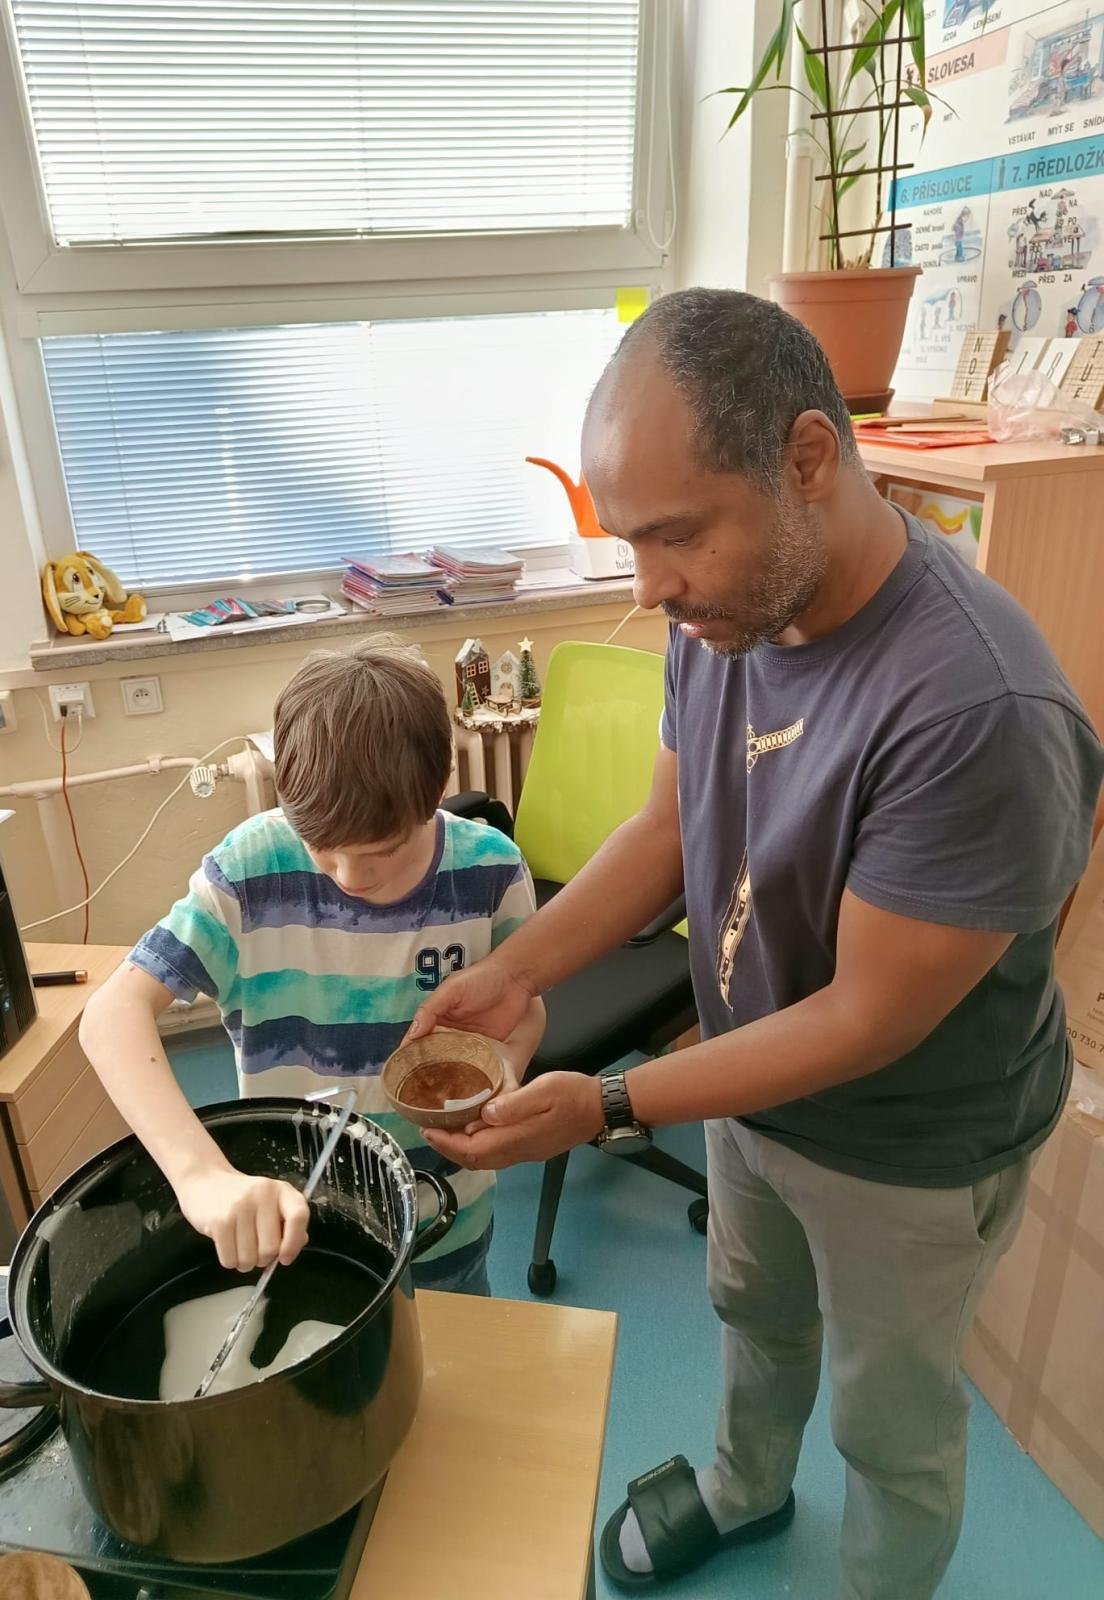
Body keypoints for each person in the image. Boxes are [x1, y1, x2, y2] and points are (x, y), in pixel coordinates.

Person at [408, 289, 1104, 1594]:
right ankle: (745, 1482)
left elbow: (864, 1021)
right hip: (745, 1093)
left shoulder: (977, 708)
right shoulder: (722, 615)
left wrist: (613, 1102)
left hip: (910, 1145)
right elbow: (667, 831)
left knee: (892, 1420)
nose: (650, 587)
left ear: (808, 459)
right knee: (752, 1315)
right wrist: (515, 968)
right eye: (631, 541)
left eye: (676, 535)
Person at [82, 637, 544, 1295]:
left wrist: (503, 1069)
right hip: (305, 1222)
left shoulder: (490, 870)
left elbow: (523, 1009)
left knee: (457, 1344)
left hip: (446, 1214)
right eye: (323, 848)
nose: (350, 877)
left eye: (382, 851)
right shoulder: (251, 872)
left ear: (439, 784)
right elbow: (111, 1016)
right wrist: (199, 1174)